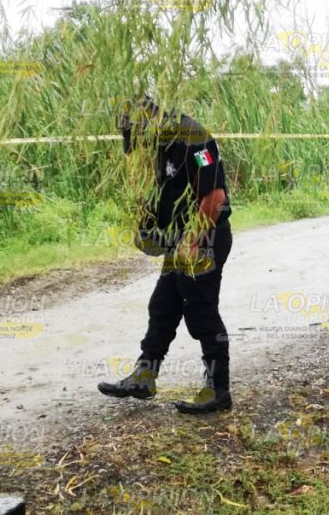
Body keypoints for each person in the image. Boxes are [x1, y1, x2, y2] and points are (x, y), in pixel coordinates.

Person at [98, 96, 234, 414]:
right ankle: (144, 376)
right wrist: (145, 225)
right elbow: (163, 191)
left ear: (152, 116)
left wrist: (190, 242)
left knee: (201, 312)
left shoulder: (193, 138)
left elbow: (214, 197)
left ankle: (218, 390)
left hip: (205, 237)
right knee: (162, 306)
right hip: (180, 240)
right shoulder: (158, 141)